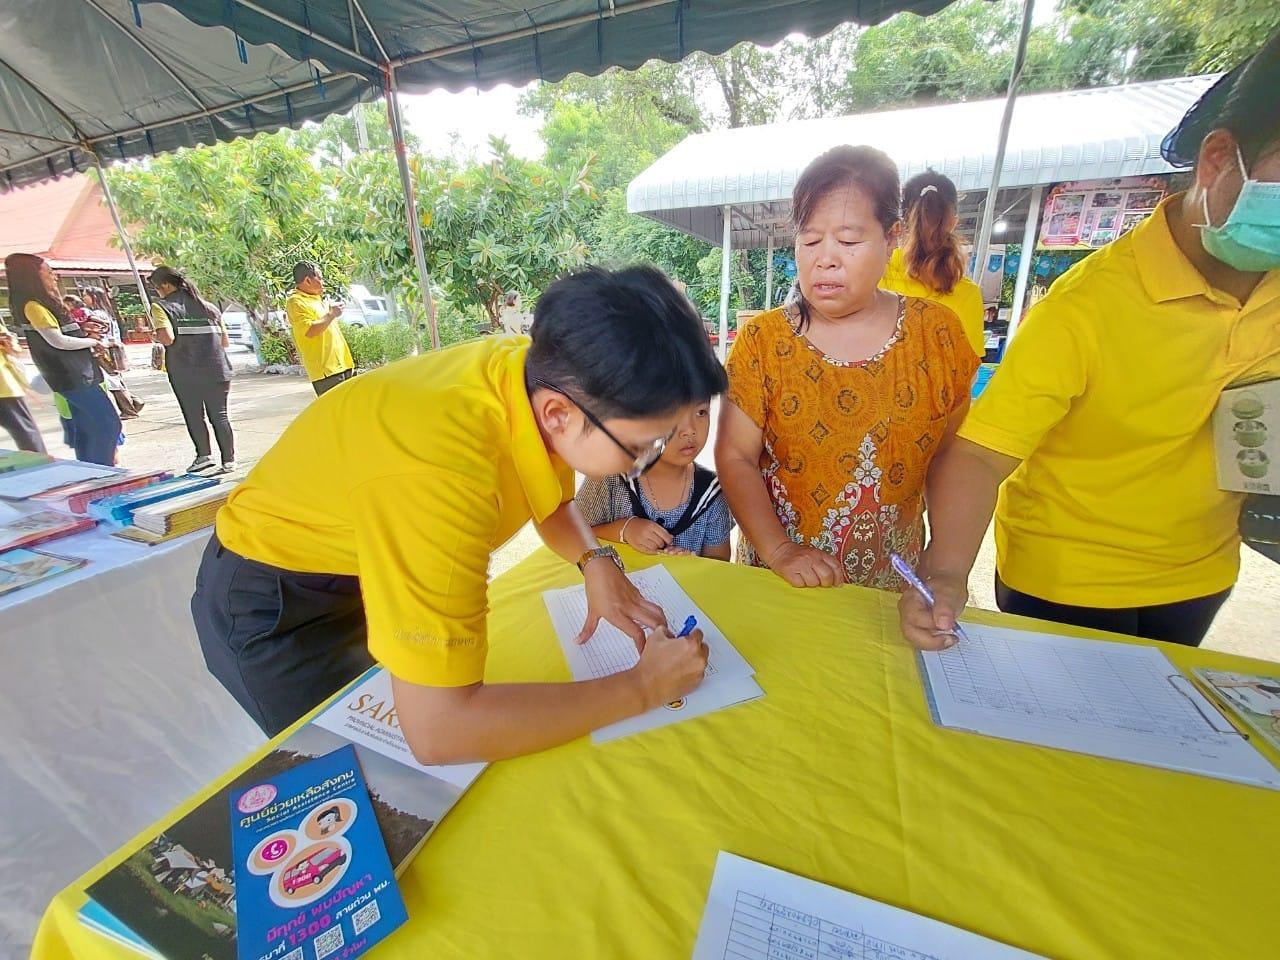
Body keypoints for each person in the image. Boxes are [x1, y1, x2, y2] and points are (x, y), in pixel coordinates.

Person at [192, 265, 725, 758]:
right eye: (642, 446)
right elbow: (441, 730)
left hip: (367, 570)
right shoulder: (443, 473)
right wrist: (642, 687)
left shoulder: (538, 371)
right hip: (282, 609)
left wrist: (596, 562)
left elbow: (549, 494)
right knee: (361, 774)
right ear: (560, 414)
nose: (649, 463)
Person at [899, 31, 1280, 651]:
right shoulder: (1086, 304)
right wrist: (945, 573)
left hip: (1201, 571)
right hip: (1065, 577)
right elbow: (983, 455)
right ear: (1216, 159)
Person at [716, 146, 979, 590]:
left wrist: (947, 563)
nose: (825, 259)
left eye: (849, 241)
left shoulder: (937, 335)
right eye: (811, 240)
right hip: (781, 584)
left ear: (892, 236)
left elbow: (952, 457)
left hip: (894, 585)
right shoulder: (764, 342)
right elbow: (735, 455)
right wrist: (780, 550)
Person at [577, 399, 734, 559]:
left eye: (701, 412)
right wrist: (623, 530)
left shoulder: (713, 494)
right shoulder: (611, 475)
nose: (690, 430)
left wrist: (692, 563)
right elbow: (574, 534)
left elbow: (719, 569)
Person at [3, 253, 121, 465]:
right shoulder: (34, 306)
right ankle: (101, 472)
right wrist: (94, 343)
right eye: (48, 273)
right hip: (72, 376)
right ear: (32, 277)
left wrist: (83, 332)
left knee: (87, 427)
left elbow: (62, 335)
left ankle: (89, 471)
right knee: (108, 424)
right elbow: (57, 341)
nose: (54, 277)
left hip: (76, 373)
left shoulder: (44, 305)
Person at [880, 170, 986, 357]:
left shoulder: (875, 274)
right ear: (953, 222)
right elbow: (968, 371)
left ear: (901, 221)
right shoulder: (967, 293)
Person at [149, 266, 236, 475]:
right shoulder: (210, 308)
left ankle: (204, 456)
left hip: (186, 372)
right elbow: (224, 342)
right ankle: (229, 460)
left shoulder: (162, 307)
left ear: (166, 285)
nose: (158, 293)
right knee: (220, 416)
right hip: (218, 369)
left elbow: (168, 339)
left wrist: (155, 336)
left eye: (157, 288)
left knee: (194, 415)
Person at [64, 293, 144, 419]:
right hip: (108, 347)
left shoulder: (93, 314)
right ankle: (134, 402)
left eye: (86, 295)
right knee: (114, 378)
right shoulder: (104, 313)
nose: (84, 298)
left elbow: (99, 331)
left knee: (112, 380)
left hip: (102, 349)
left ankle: (129, 409)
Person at [285, 261, 354, 396]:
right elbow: (309, 330)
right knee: (335, 414)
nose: (323, 282)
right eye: (320, 277)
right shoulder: (296, 302)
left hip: (342, 365)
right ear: (307, 280)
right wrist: (331, 314)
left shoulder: (317, 299)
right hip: (326, 372)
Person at [0, 320, 45, 452]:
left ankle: (41, 466)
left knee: (25, 434)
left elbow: (14, 348)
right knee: (25, 433)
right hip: (5, 387)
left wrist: (9, 342)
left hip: (5, 387)